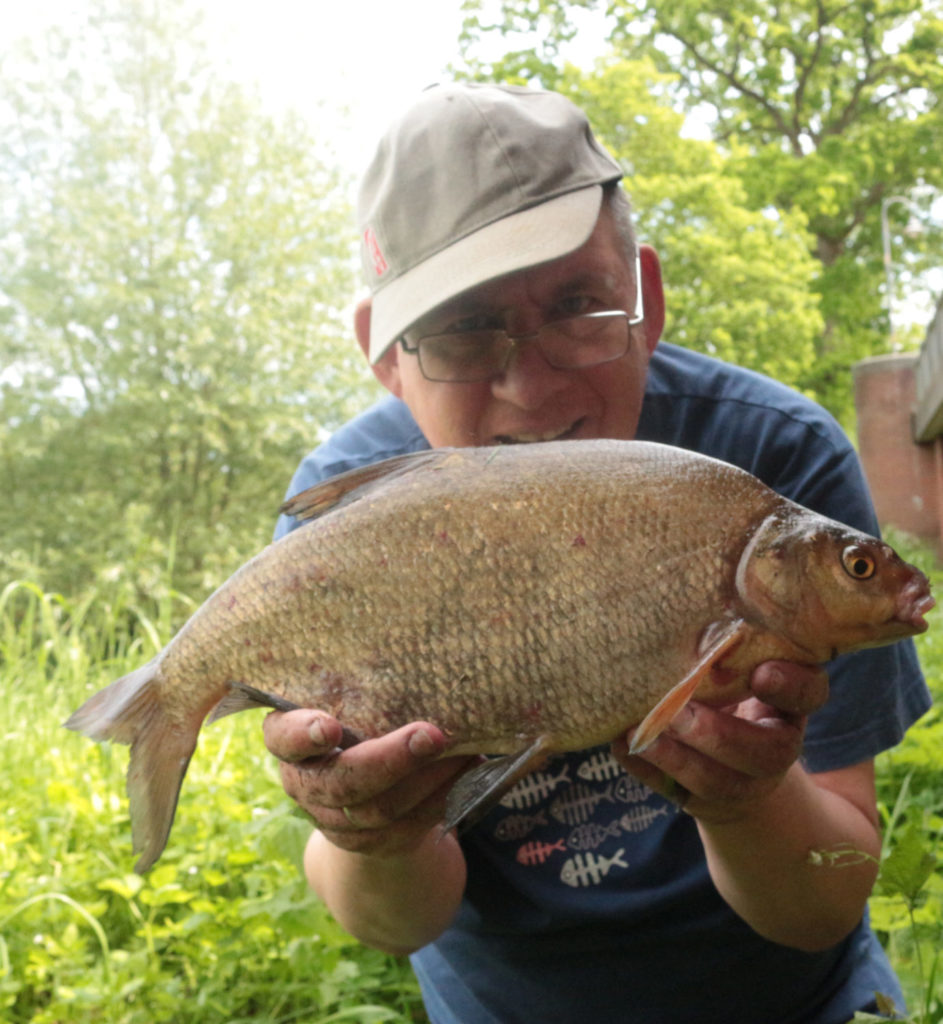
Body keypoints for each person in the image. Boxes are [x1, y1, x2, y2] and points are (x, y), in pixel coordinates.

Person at [263, 82, 930, 1023]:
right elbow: (394, 920)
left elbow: (825, 897)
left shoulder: (774, 461)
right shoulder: (350, 512)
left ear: (645, 300)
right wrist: (372, 830)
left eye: (578, 305)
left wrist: (745, 799)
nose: (530, 388)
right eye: (461, 328)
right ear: (386, 356)